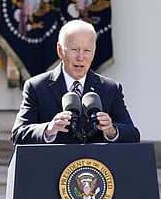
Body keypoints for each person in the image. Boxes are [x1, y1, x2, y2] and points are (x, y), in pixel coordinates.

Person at [10, 19, 140, 144]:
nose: (81, 57)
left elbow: (133, 134)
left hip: (95, 165)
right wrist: (48, 130)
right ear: (60, 51)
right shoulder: (36, 87)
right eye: (74, 50)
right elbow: (18, 134)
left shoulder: (110, 89)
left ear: (94, 53)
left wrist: (112, 131)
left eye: (87, 51)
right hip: (53, 164)